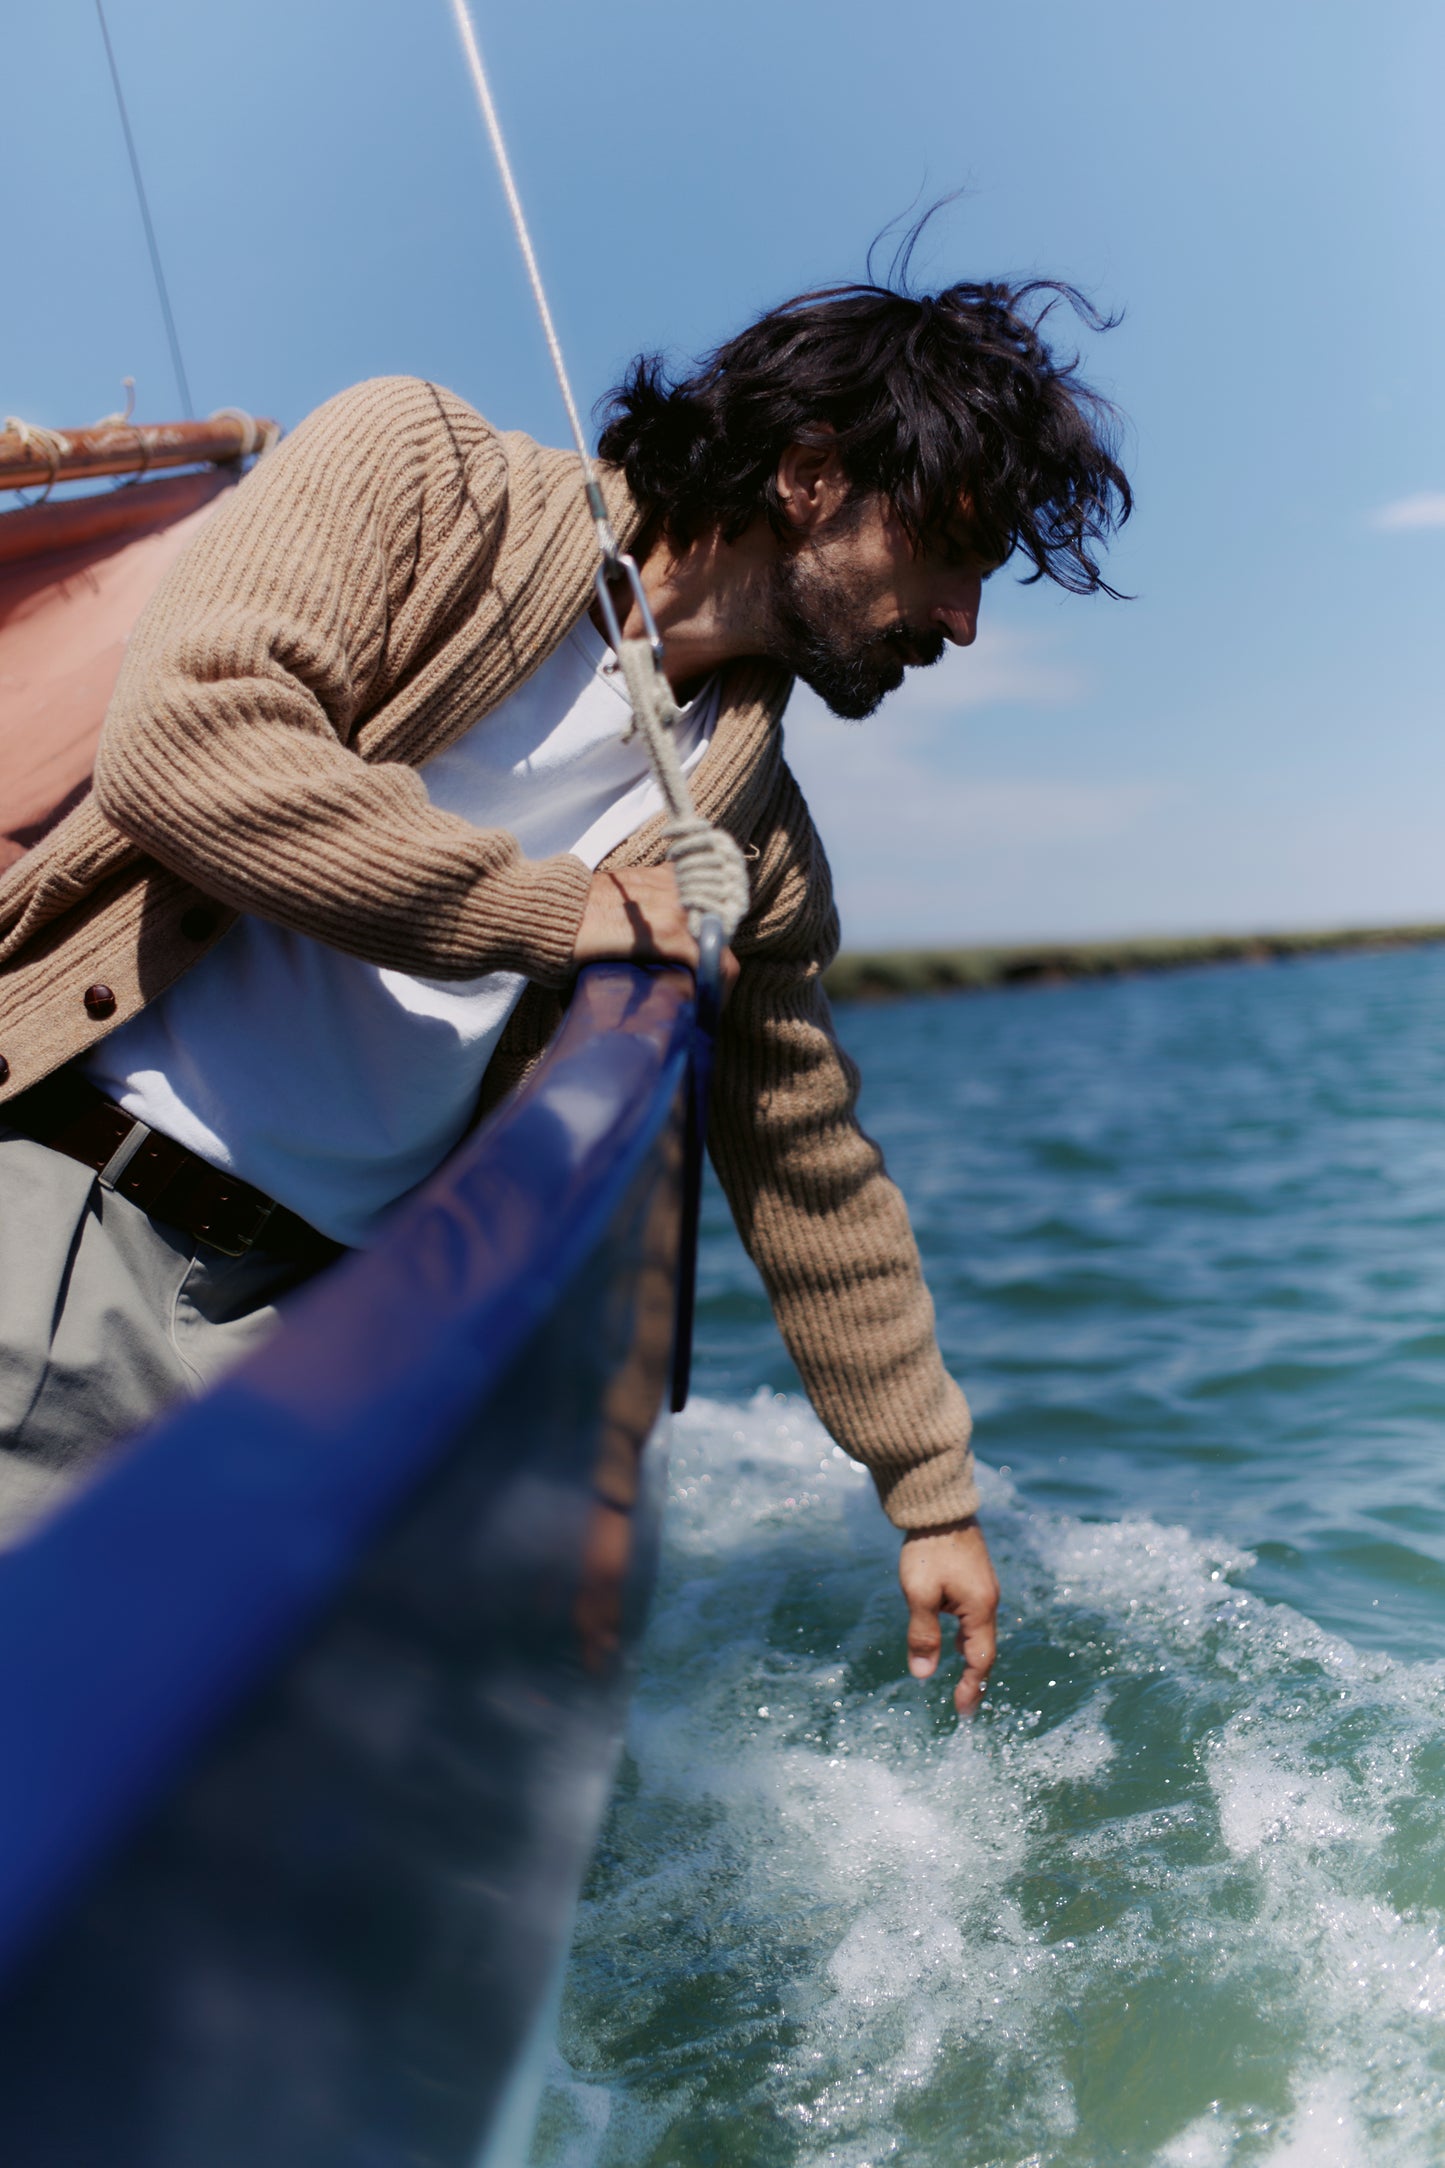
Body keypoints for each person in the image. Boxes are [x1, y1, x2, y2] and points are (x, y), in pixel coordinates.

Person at [0, 267, 1130, 1711]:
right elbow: (194, 745)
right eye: (955, 552)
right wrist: (565, 917)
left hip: (320, 1346)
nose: (963, 621)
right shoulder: (416, 469)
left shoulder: (756, 843)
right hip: (62, 1224)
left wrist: (931, 1495)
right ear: (807, 477)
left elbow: (805, 1163)